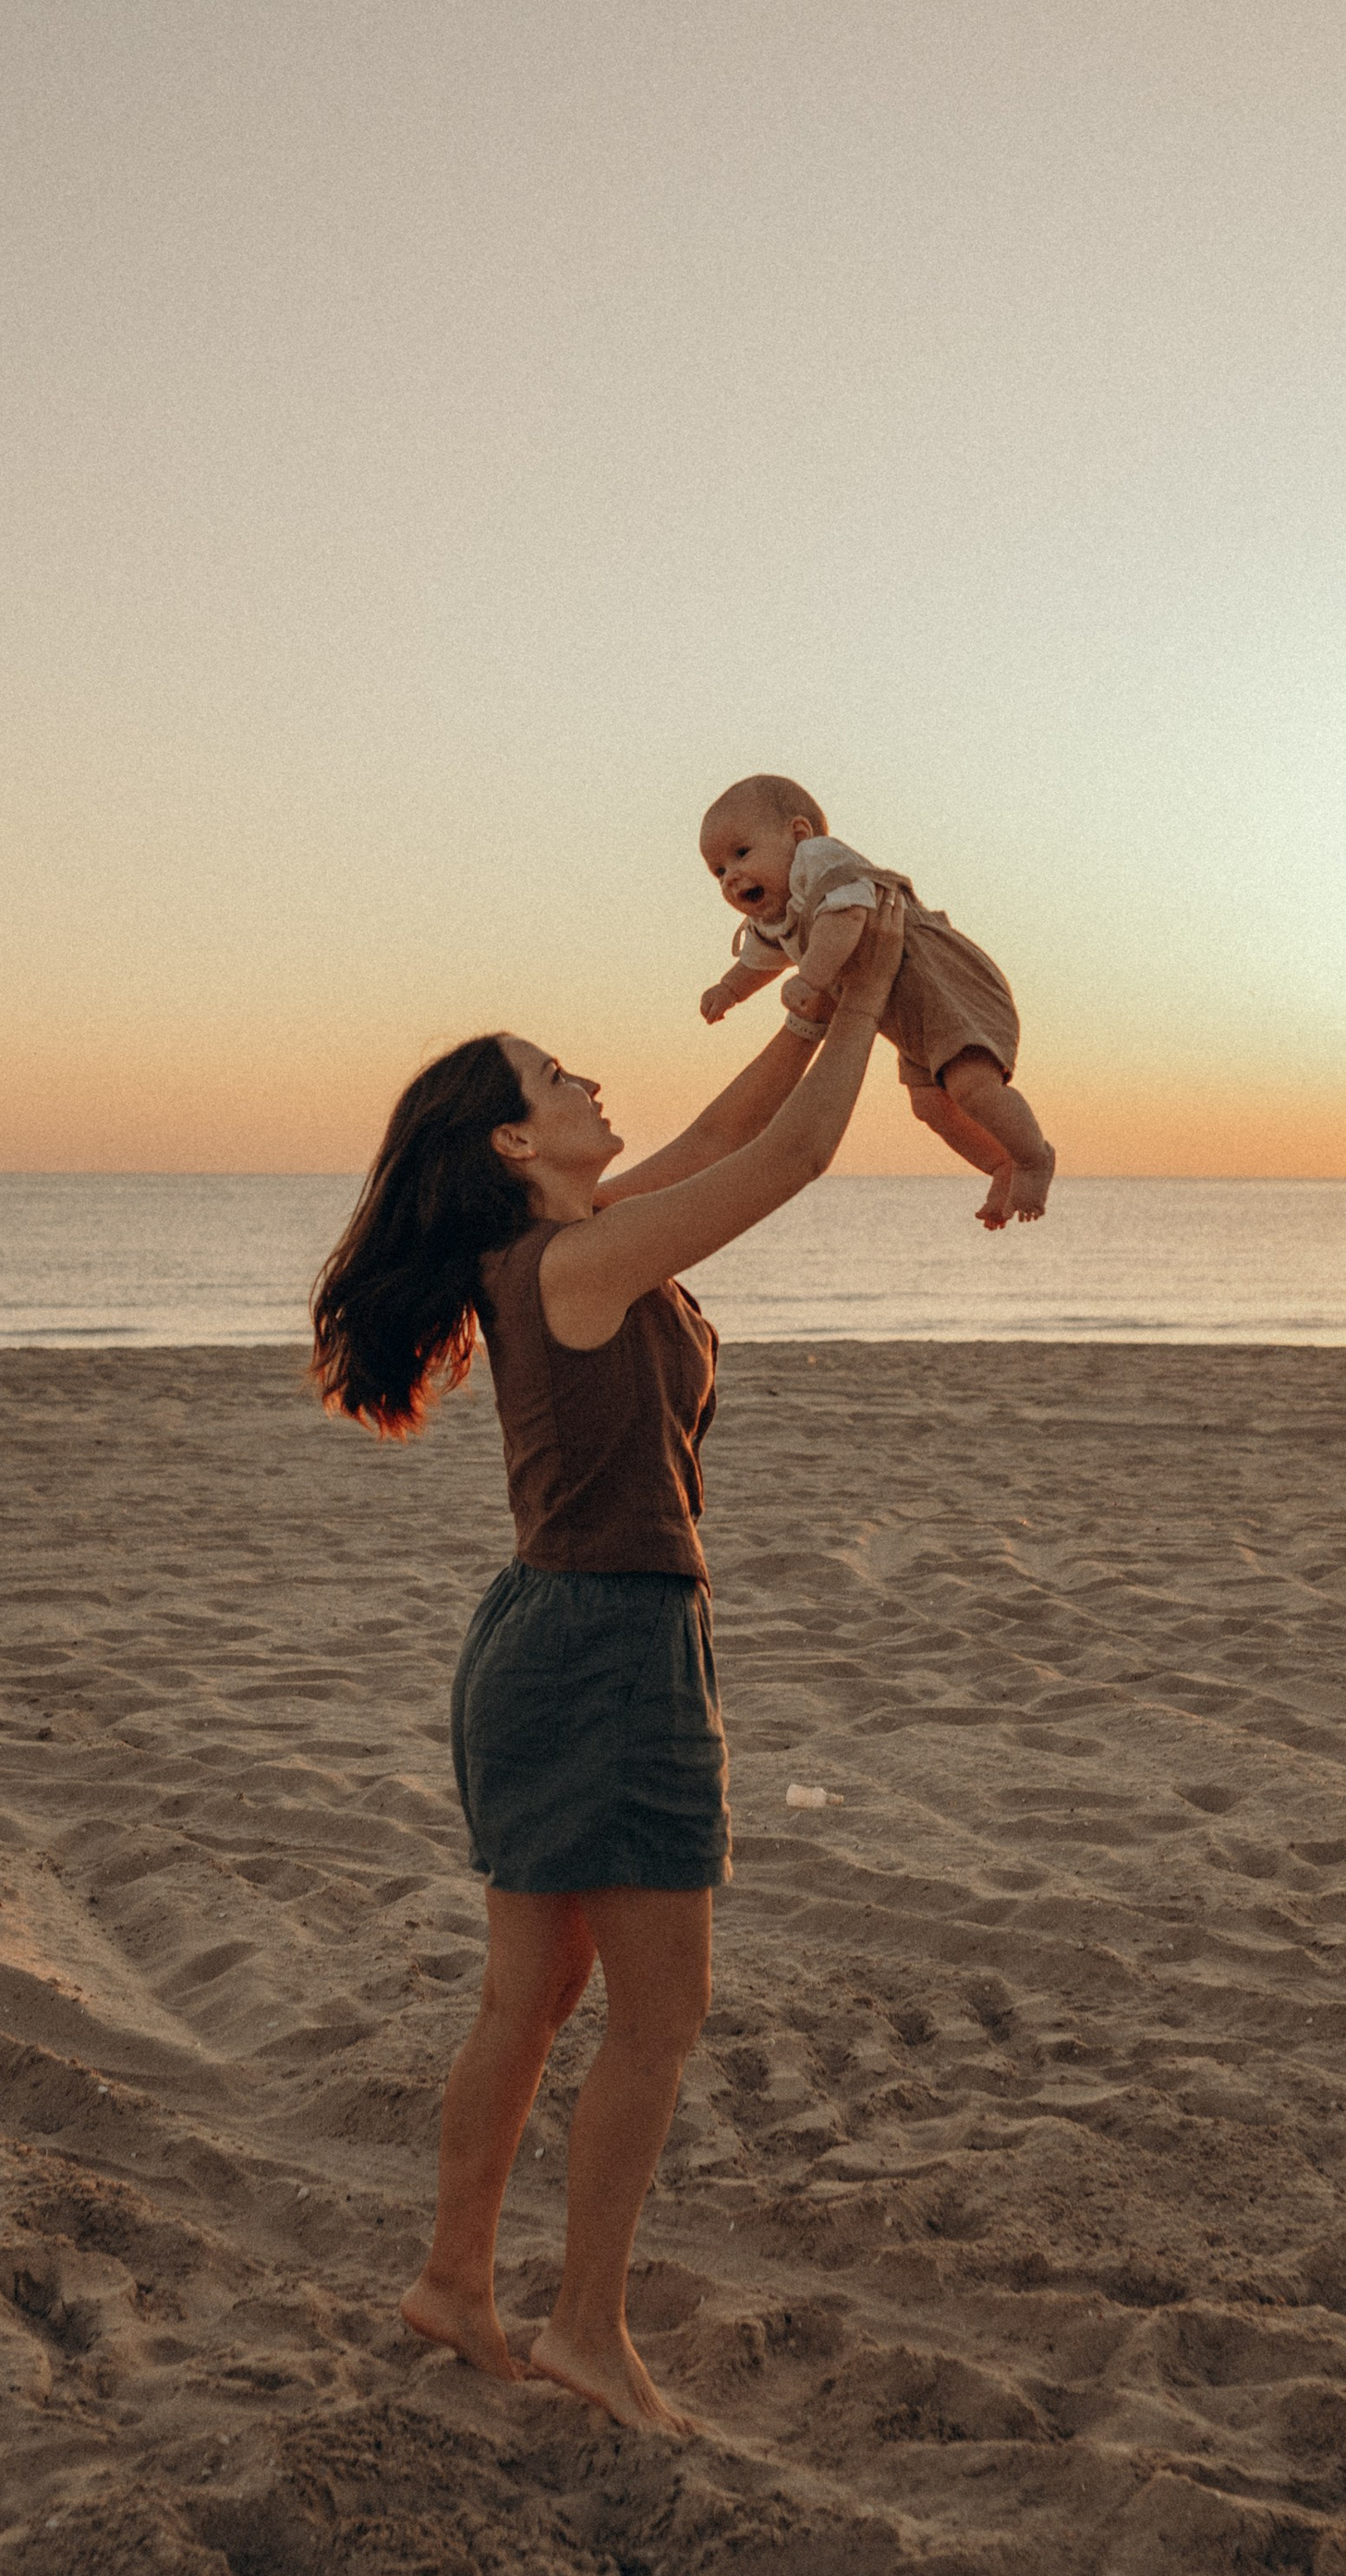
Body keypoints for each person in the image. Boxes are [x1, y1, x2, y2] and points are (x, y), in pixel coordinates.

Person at [309, 888, 907, 2435]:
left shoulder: (580, 1241)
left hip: (562, 1632)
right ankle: (583, 2329)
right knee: (656, 2014)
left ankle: (454, 2282)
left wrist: (822, 1006)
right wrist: (885, 979)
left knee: (538, 1994)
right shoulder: (571, 1267)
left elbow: (731, 1127)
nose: (586, 1084)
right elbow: (795, 1160)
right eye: (554, 1076)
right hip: (602, 1642)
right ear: (514, 1142)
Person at [697, 771, 1055, 1230]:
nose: (731, 877)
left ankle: (1033, 1157)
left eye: (742, 853)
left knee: (972, 1086)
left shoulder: (818, 860)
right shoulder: (779, 916)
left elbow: (847, 916)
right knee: (930, 1107)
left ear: (799, 833)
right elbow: (757, 963)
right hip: (902, 1011)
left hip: (944, 982)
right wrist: (728, 990)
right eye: (719, 871)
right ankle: (1000, 1163)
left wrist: (812, 977)